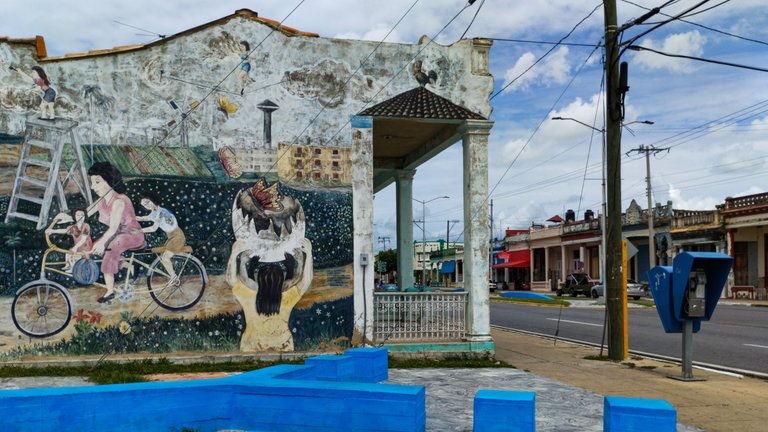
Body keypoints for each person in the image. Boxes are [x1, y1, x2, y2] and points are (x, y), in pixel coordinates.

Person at [58, 162, 144, 303]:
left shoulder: (119, 201)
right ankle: (131, 266)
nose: (93, 187)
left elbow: (114, 228)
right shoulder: (101, 201)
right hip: (116, 235)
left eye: (97, 182)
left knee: (109, 249)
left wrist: (103, 242)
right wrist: (64, 218)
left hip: (132, 235)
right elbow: (84, 214)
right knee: (94, 249)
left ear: (109, 181)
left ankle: (110, 292)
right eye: (92, 182)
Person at [136, 192, 187, 283]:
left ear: (153, 199)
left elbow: (153, 228)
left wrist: (139, 231)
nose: (147, 206)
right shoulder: (155, 212)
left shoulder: (161, 212)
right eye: (144, 205)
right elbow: (145, 218)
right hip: (171, 237)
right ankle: (173, 276)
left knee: (165, 258)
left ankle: (174, 277)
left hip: (177, 237)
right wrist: (133, 217)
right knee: (163, 258)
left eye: (147, 202)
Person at [47, 208, 93, 272]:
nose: (80, 217)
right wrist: (53, 231)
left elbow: (83, 239)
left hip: (86, 248)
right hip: (78, 248)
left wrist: (75, 247)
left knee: (74, 255)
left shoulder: (86, 226)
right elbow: (64, 231)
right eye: (78, 215)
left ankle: (73, 267)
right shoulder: (73, 227)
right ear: (74, 217)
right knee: (68, 253)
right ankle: (68, 265)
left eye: (82, 215)